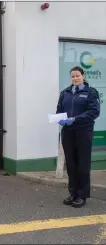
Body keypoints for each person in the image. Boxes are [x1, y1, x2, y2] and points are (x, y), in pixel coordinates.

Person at [56, 66, 100, 208]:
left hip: (83, 131)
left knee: (83, 164)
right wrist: (59, 119)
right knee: (71, 164)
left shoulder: (91, 92)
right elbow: (59, 110)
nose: (75, 78)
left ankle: (82, 195)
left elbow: (93, 112)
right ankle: (73, 193)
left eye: (77, 76)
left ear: (83, 76)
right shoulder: (65, 93)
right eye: (73, 76)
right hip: (68, 132)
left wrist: (74, 119)